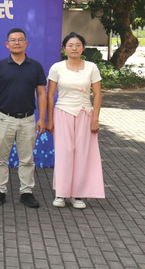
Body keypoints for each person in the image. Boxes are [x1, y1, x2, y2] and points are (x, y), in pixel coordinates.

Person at [0, 28, 46, 208]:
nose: (17, 43)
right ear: (7, 44)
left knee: (27, 159)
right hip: (4, 118)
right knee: (0, 158)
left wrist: (42, 118)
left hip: (28, 119)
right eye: (13, 40)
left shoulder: (35, 66)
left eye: (20, 40)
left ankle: (26, 192)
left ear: (26, 43)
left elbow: (41, 93)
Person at [46, 32, 104, 209]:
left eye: (78, 45)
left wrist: (95, 119)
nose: (74, 48)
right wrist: (50, 119)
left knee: (82, 154)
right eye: (70, 45)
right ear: (64, 48)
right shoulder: (57, 68)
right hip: (62, 113)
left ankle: (78, 195)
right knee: (64, 153)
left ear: (83, 48)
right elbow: (50, 95)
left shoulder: (92, 67)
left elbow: (97, 95)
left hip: (85, 114)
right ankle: (61, 194)